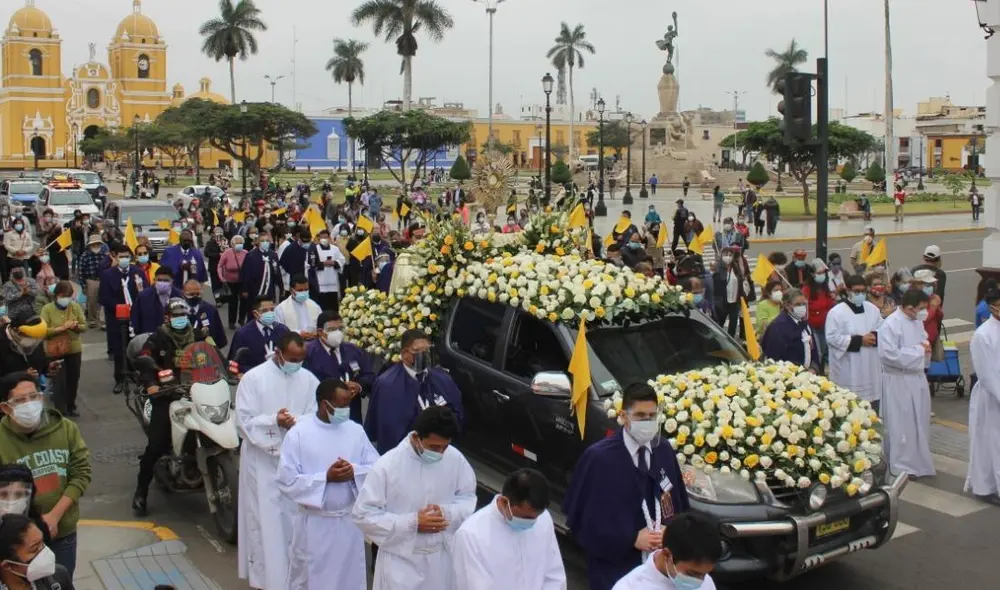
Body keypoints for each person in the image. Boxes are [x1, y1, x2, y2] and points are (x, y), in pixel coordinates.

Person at [565, 383, 690, 590]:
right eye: (640, 416)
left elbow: (677, 504)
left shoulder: (663, 450)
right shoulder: (599, 458)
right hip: (615, 568)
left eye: (652, 416)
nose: (647, 422)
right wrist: (629, 538)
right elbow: (584, 522)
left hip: (660, 567)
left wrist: (671, 531)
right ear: (624, 416)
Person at [352, 406, 477, 590]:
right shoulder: (389, 465)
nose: (440, 453)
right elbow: (363, 514)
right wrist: (413, 522)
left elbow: (467, 497)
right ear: (417, 437)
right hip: (400, 565)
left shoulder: (455, 459)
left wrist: (446, 513)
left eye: (445, 446)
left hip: (440, 561)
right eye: (434, 447)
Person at [277, 378, 380, 590]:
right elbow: (286, 481)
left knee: (348, 580)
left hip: (348, 524)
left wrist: (355, 472)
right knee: (312, 580)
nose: (346, 410)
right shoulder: (298, 434)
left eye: (348, 405)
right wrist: (326, 478)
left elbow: (377, 469)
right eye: (341, 405)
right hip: (315, 524)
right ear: (325, 404)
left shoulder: (355, 431)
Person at [236, 332, 319, 590]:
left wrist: (296, 421)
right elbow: (244, 421)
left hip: (296, 462)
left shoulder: (308, 379)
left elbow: (316, 415)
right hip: (262, 462)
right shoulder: (254, 379)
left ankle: (297, 579)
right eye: (292, 358)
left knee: (295, 522)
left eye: (301, 359)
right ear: (278, 353)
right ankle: (266, 580)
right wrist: (274, 420)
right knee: (266, 520)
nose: (297, 363)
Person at [0, 372, 91, 577]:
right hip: (18, 541)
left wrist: (54, 517)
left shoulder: (66, 429)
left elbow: (81, 473)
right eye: (20, 400)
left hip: (62, 532)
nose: (29, 404)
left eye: (33, 396)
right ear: (5, 407)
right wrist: (31, 527)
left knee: (60, 579)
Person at [132, 299, 216, 516]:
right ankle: (141, 492)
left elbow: (216, 357)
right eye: (176, 315)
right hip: (167, 396)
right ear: (168, 318)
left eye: (183, 315)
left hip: (198, 392)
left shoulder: (198, 335)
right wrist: (151, 384)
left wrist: (229, 373)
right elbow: (144, 359)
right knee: (156, 444)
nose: (180, 319)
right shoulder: (157, 338)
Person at [452, 468, 566, 589]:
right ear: (503, 502)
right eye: (524, 517)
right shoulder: (471, 536)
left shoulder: (543, 519)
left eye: (535, 518)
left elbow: (553, 573)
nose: (531, 523)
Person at [365, 329, 464, 455]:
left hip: (438, 449)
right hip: (404, 454)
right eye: (417, 351)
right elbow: (383, 428)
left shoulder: (443, 378)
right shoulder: (387, 384)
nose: (423, 355)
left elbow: (457, 414)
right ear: (403, 353)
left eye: (426, 351)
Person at [878, 288, 935, 478]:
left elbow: (922, 340)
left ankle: (918, 461)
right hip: (898, 381)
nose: (923, 312)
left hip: (916, 378)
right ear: (909, 307)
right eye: (920, 308)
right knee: (901, 423)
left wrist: (925, 347)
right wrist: (919, 351)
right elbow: (888, 355)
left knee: (919, 419)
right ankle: (901, 465)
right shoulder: (891, 324)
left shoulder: (916, 321)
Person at [611, 512, 722, 590]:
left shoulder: (706, 583)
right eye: (691, 574)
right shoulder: (629, 587)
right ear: (667, 555)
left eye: (704, 575)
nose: (699, 582)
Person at [826, 275, 884, 412]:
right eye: (857, 291)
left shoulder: (872, 309)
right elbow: (832, 337)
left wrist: (874, 337)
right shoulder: (836, 313)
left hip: (870, 366)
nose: (860, 294)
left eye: (863, 291)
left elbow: (883, 329)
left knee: (873, 407)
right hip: (849, 367)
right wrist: (859, 340)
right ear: (847, 290)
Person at [304, 311, 375, 424]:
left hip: (351, 413)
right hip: (323, 414)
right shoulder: (308, 353)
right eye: (332, 330)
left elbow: (369, 375)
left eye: (340, 329)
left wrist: (359, 386)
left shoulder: (353, 350)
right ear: (320, 332)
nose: (337, 333)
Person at [98, 244, 150, 394]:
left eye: (127, 256)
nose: (124, 259)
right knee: (119, 349)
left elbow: (145, 292)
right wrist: (119, 307)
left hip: (135, 315)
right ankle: (120, 379)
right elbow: (104, 297)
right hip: (116, 317)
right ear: (115, 257)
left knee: (137, 347)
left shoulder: (137, 272)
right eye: (121, 257)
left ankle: (136, 375)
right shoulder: (108, 274)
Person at [966, 283, 1000, 503]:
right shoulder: (983, 334)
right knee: (990, 442)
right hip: (992, 396)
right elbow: (986, 372)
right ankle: (987, 486)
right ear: (991, 308)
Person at [38, 281, 86, 417]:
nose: (66, 299)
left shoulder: (75, 307)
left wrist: (76, 326)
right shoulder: (47, 309)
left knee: (73, 379)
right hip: (55, 350)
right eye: (63, 295)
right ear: (57, 295)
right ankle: (60, 409)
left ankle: (71, 405)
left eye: (69, 296)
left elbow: (84, 325)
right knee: (59, 381)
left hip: (74, 349)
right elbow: (44, 331)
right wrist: (61, 328)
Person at [0, 513, 75, 589]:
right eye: (35, 549)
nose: (45, 552)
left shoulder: (59, 577)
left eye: (42, 543)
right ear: (8, 565)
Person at [761, 289, 821, 372]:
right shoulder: (777, 327)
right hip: (790, 376)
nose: (802, 307)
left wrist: (814, 368)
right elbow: (774, 358)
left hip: (809, 375)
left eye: (804, 304)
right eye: (798, 304)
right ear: (787, 305)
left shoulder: (804, 323)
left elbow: (814, 350)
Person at [228, 295, 289, 374]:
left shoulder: (283, 330)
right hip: (254, 379)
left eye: (272, 310)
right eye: (264, 311)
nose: (269, 313)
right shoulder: (242, 334)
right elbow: (234, 363)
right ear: (255, 313)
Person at [802, 259, 836, 371]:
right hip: (814, 327)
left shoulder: (826, 287)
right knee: (818, 353)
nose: (822, 275)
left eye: (823, 273)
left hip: (827, 326)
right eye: (819, 273)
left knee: (826, 352)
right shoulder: (806, 290)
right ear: (812, 274)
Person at [239, 231, 282, 317]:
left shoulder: (273, 255)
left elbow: (277, 271)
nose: (265, 242)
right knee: (254, 311)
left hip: (269, 289)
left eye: (267, 240)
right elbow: (245, 273)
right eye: (262, 241)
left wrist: (281, 287)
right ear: (258, 242)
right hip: (255, 288)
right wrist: (245, 289)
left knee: (268, 310)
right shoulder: (251, 255)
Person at [131, 266, 183, 336]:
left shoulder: (180, 296)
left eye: (166, 280)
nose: (162, 283)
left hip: (174, 338)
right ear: (154, 280)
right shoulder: (143, 297)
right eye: (159, 280)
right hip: (149, 338)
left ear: (172, 281)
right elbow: (136, 320)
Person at [307, 229, 346, 313]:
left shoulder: (335, 249)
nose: (324, 239)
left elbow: (342, 260)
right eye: (322, 237)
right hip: (320, 281)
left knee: (332, 306)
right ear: (319, 238)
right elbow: (312, 263)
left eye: (326, 237)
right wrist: (323, 263)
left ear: (329, 238)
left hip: (332, 281)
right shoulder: (315, 249)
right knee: (322, 306)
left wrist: (334, 263)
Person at [183, 279, 227, 349]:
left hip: (204, 354)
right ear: (184, 293)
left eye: (198, 294)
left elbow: (219, 338)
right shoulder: (177, 311)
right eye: (191, 294)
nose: (195, 296)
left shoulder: (211, 310)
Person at [274, 274, 322, 339]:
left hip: (312, 342)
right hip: (292, 343)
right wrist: (298, 334)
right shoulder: (281, 308)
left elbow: (321, 326)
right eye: (300, 290)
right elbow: (279, 330)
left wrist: (317, 333)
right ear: (291, 290)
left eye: (306, 290)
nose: (304, 292)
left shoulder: (315, 306)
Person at [78, 235, 107, 329]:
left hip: (104, 279)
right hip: (91, 280)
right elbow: (81, 271)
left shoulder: (105, 254)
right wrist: (83, 285)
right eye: (93, 244)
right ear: (90, 245)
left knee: (104, 301)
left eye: (97, 243)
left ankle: (103, 322)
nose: (96, 245)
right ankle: (92, 321)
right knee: (92, 302)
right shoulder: (85, 255)